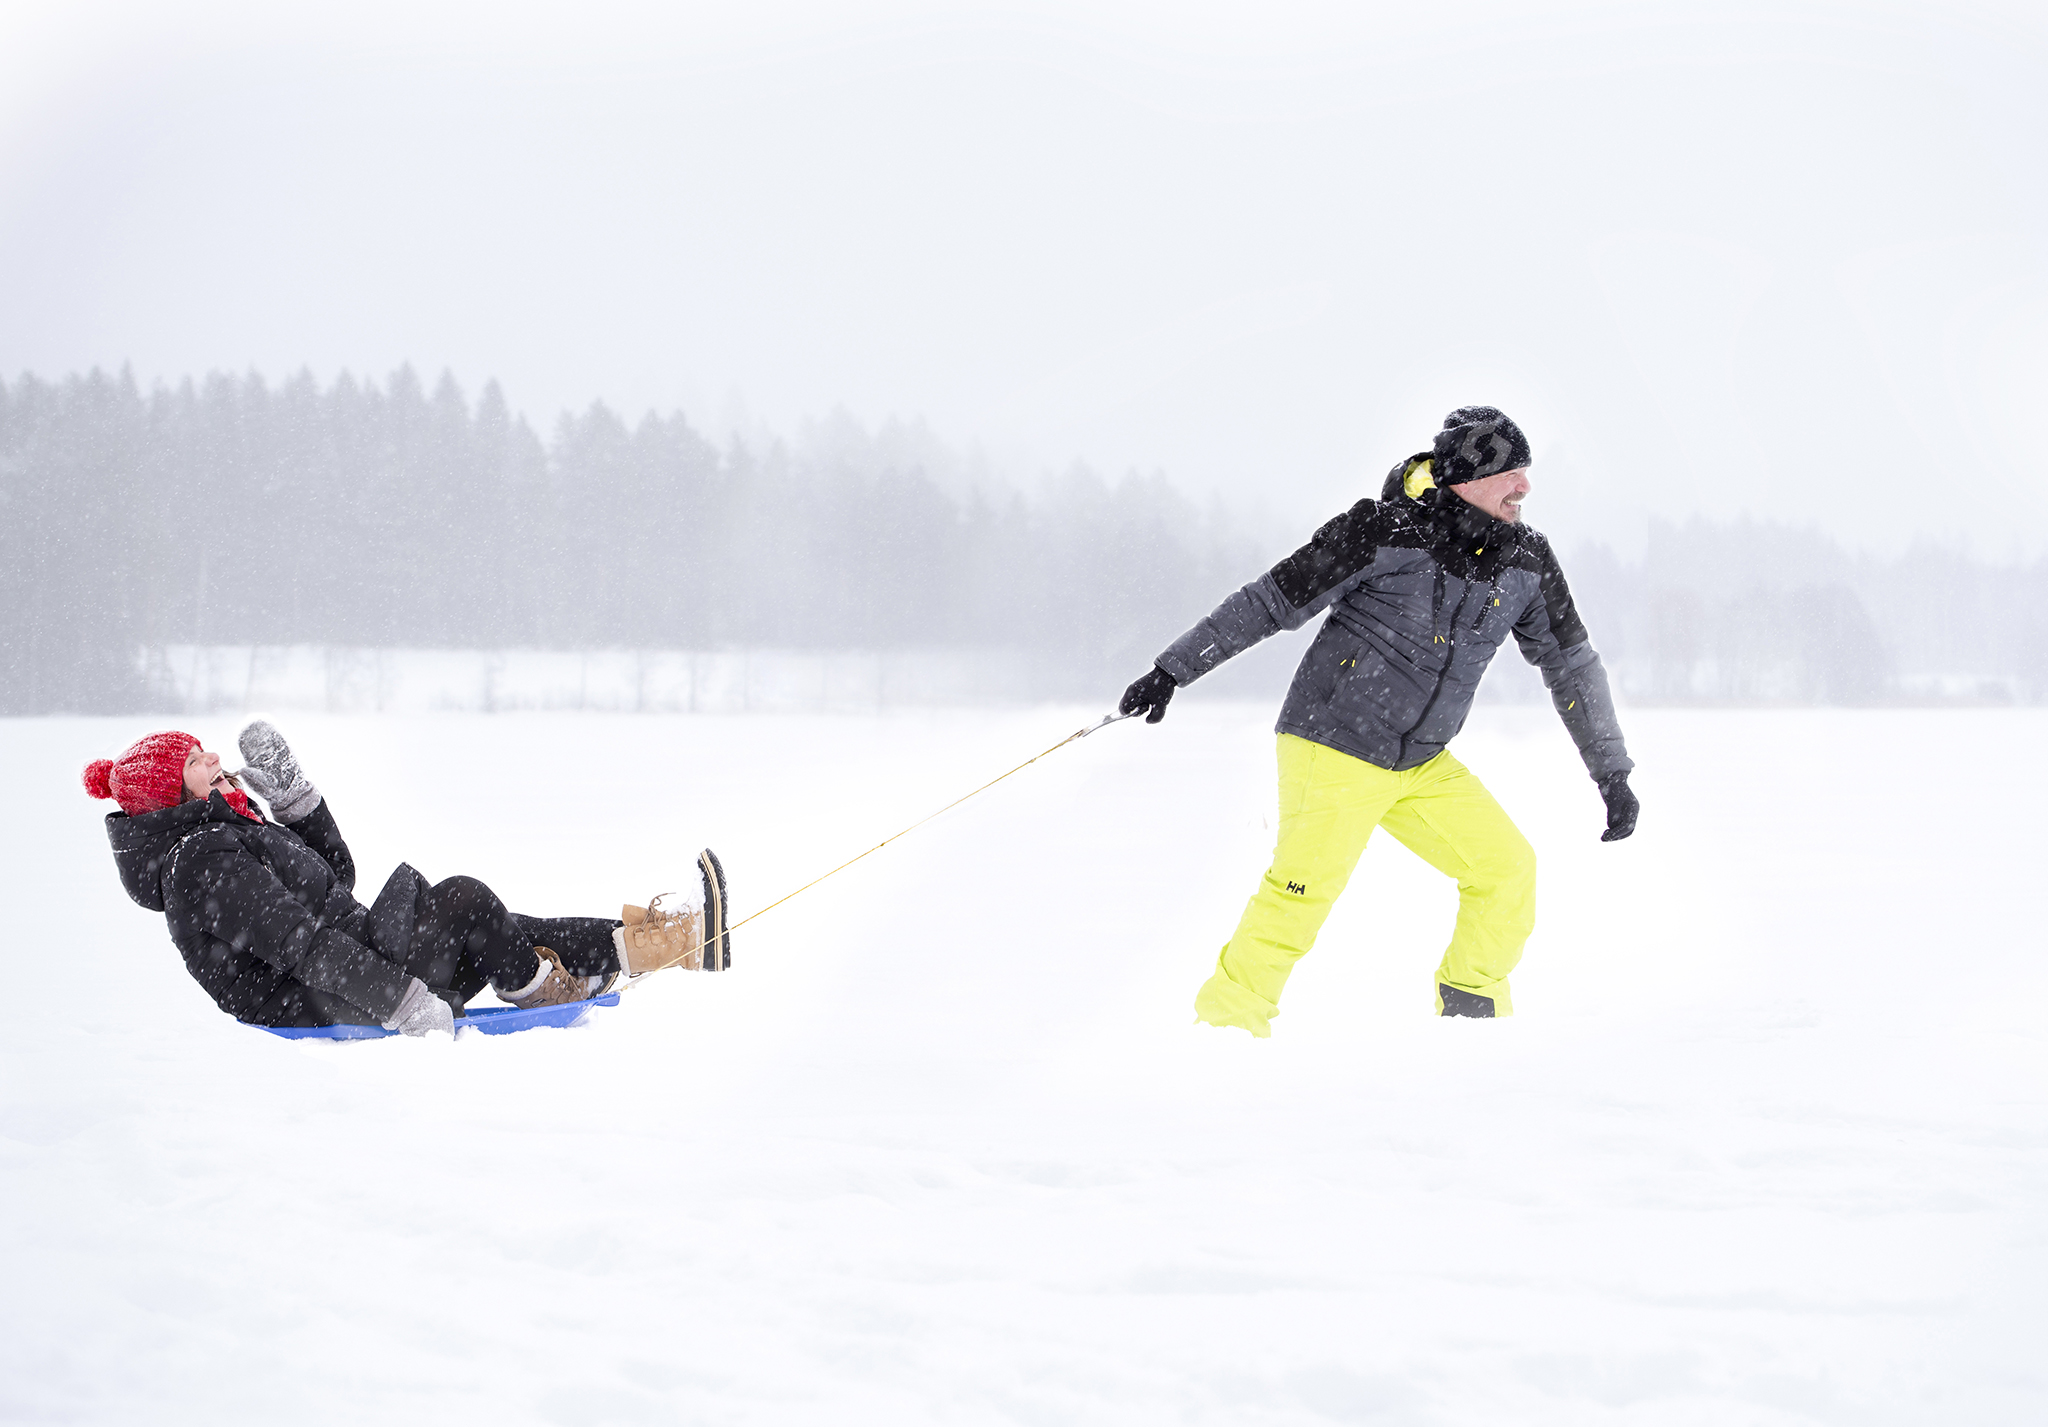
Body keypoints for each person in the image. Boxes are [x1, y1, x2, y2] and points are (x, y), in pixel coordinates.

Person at [1118, 406, 1637, 1034]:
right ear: (1463, 479)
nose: (1524, 488)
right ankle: (1226, 1029)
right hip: (1333, 742)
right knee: (1301, 894)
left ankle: (1470, 1018)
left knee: (1505, 870)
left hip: (1421, 762)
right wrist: (1173, 669)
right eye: (1510, 473)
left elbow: (1571, 663)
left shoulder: (1525, 561)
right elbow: (1270, 601)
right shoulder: (1381, 530)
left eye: (1526, 473)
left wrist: (1610, 772)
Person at [86, 721, 729, 1036]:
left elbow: (335, 882)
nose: (218, 760)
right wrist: (401, 1004)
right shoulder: (201, 863)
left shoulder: (228, 837)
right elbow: (298, 944)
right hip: (328, 1001)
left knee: (491, 924)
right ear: (171, 795)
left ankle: (668, 944)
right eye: (200, 762)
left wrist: (297, 806)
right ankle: (540, 988)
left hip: (349, 968)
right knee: (465, 901)